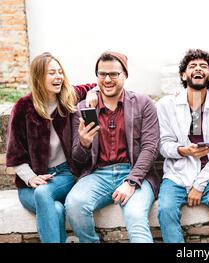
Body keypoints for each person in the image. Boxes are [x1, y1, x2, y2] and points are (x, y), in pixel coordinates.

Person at [65, 51, 160, 243]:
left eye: (114, 74)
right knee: (74, 205)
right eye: (102, 74)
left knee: (135, 215)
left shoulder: (143, 104)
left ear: (125, 75)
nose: (107, 79)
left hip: (134, 172)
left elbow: (151, 148)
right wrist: (84, 143)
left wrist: (131, 181)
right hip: (98, 174)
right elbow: (78, 159)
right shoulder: (84, 108)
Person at [6, 52, 97, 243]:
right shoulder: (23, 107)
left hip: (63, 175)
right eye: (51, 73)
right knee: (54, 208)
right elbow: (15, 153)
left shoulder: (68, 96)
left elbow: (96, 85)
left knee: (44, 193)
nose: (58, 77)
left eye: (60, 72)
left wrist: (91, 94)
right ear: (39, 77)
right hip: (30, 184)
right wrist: (30, 178)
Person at [156, 49, 209, 243]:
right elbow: (163, 145)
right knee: (165, 209)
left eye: (203, 66)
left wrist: (199, 185)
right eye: (192, 66)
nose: (198, 69)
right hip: (176, 175)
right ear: (183, 75)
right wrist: (183, 150)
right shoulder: (166, 105)